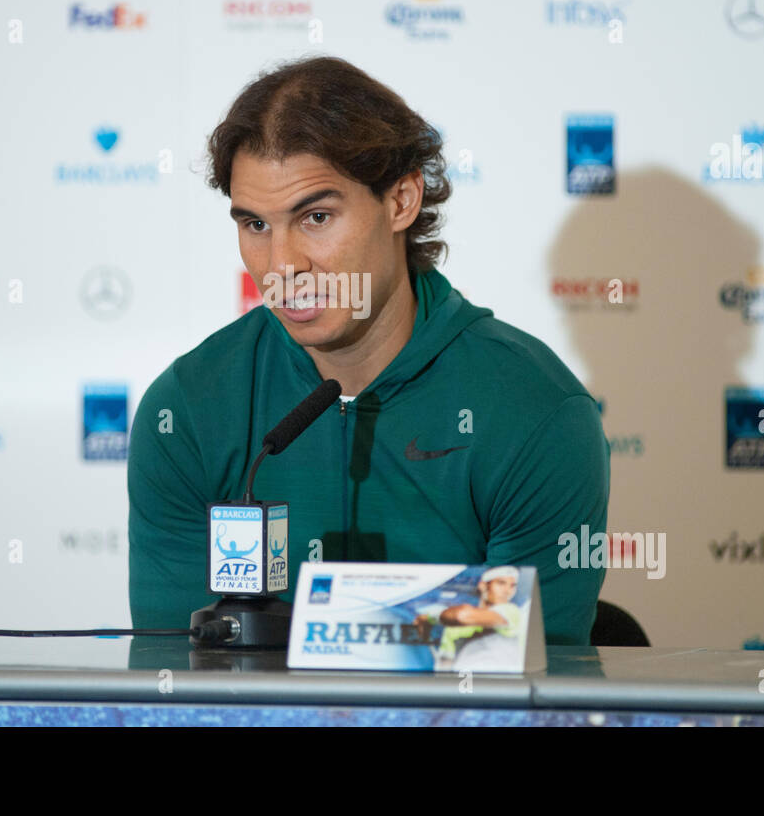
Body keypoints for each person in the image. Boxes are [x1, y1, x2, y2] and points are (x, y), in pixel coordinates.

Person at [127, 55, 609, 645]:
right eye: (254, 225)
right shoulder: (188, 409)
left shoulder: (536, 411)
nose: (282, 267)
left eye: (316, 217)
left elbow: (528, 685)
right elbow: (176, 680)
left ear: (402, 200)